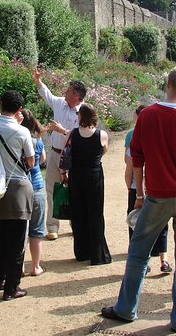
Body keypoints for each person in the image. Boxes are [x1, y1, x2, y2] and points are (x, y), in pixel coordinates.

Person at [101, 65, 176, 332]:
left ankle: (126, 308)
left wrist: (139, 193)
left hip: (158, 196)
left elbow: (137, 156)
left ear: (167, 84)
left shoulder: (148, 115)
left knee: (138, 253)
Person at [0, 90, 35, 300]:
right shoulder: (22, 132)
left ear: (0, 103)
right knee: (16, 239)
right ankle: (12, 287)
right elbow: (31, 162)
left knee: (0, 234)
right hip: (17, 187)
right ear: (19, 110)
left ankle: (1, 277)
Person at [32, 68, 86, 241]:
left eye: (69, 91)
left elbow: (84, 134)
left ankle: (75, 223)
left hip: (73, 156)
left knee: (74, 189)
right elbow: (46, 94)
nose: (65, 92)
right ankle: (52, 226)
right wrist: (38, 80)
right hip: (55, 153)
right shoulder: (60, 103)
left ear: (76, 95)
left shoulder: (83, 112)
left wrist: (63, 131)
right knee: (52, 190)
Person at [125, 104, 171, 274]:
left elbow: (129, 168)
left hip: (139, 189)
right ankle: (163, 259)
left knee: (137, 224)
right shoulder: (163, 138)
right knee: (161, 224)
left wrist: (133, 191)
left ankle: (141, 262)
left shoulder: (134, 138)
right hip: (159, 188)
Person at [64, 103, 112, 265]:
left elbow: (66, 154)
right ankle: (98, 254)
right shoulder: (101, 134)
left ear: (81, 116)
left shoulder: (72, 134)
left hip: (76, 176)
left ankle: (82, 252)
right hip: (94, 175)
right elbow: (103, 151)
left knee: (78, 214)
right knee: (96, 213)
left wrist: (63, 174)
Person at [20, 108, 47, 276]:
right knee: (36, 230)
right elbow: (43, 159)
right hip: (36, 185)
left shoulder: (17, 140)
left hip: (21, 187)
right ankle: (35, 266)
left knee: (21, 229)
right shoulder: (37, 141)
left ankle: (20, 266)